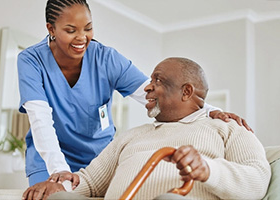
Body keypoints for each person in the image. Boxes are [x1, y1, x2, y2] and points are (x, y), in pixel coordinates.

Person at [18, 0, 252, 187]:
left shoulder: (106, 59)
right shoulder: (31, 61)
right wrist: (59, 169)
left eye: (88, 28)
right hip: (50, 157)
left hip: (99, 159)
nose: (82, 38)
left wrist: (213, 111)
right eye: (71, 30)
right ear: (51, 29)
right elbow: (40, 120)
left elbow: (153, 94)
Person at [22, 57, 270, 200]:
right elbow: (89, 182)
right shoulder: (132, 135)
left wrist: (208, 170)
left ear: (186, 92)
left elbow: (258, 179)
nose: (147, 88)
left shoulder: (227, 128)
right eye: (150, 80)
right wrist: (59, 187)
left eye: (158, 81)